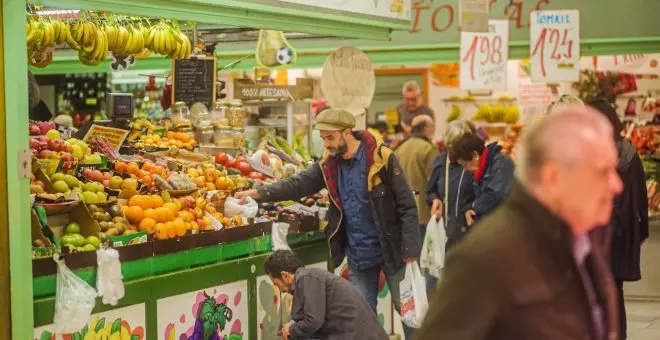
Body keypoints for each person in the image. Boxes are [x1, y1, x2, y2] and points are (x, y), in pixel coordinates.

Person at [414, 106, 623, 340]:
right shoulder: (484, 257)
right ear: (552, 177)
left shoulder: (589, 240)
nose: (616, 185)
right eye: (602, 171)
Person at [235, 108, 421, 339]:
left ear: (347, 133)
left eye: (330, 138)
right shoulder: (328, 165)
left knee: (409, 313)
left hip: (393, 252)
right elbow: (298, 184)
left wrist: (410, 248)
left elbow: (406, 204)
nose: (327, 145)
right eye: (323, 138)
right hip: (358, 256)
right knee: (361, 321)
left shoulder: (381, 158)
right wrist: (257, 192)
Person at [588, 98, 649, 340]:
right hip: (622, 231)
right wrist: (641, 230)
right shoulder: (630, 152)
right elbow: (640, 195)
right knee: (615, 288)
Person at [264, 250, 389, 340]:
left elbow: (313, 322)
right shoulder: (308, 279)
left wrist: (291, 329)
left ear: (285, 275)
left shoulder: (306, 278)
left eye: (276, 284)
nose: (279, 290)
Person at [394, 115, 438, 291]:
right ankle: (426, 302)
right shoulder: (428, 149)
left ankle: (412, 300)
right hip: (423, 213)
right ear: (425, 129)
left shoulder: (399, 149)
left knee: (409, 264)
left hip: (402, 214)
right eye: (432, 126)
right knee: (426, 262)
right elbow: (434, 181)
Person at [426, 120, 477, 251]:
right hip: (444, 233)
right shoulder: (441, 160)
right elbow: (430, 190)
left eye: (458, 145)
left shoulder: (475, 163)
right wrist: (434, 199)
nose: (454, 151)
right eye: (451, 145)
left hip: (470, 234)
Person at [451, 134, 515, 226]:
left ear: (475, 155)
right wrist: (469, 209)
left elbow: (496, 195)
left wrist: (474, 206)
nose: (464, 169)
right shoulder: (481, 169)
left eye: (464, 164)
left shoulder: (502, 162)